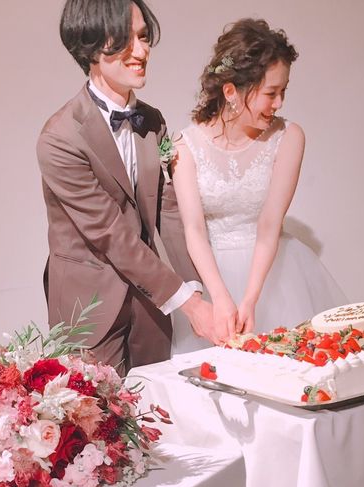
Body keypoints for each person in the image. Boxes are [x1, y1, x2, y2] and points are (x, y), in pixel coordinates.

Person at [37, 0, 214, 373]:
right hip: (89, 308)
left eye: (144, 37)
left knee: (156, 402)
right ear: (89, 46)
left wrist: (195, 286)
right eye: (124, 39)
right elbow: (110, 233)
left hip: (150, 303)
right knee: (100, 410)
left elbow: (167, 210)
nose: (141, 51)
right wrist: (188, 303)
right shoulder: (60, 138)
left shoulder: (152, 121)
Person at [171, 18, 347, 353]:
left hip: (274, 274)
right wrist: (220, 297)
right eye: (270, 93)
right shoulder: (184, 146)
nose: (279, 103)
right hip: (211, 275)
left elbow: (269, 224)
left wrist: (251, 299)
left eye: (283, 92)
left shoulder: (288, 137)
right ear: (231, 93)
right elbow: (194, 229)